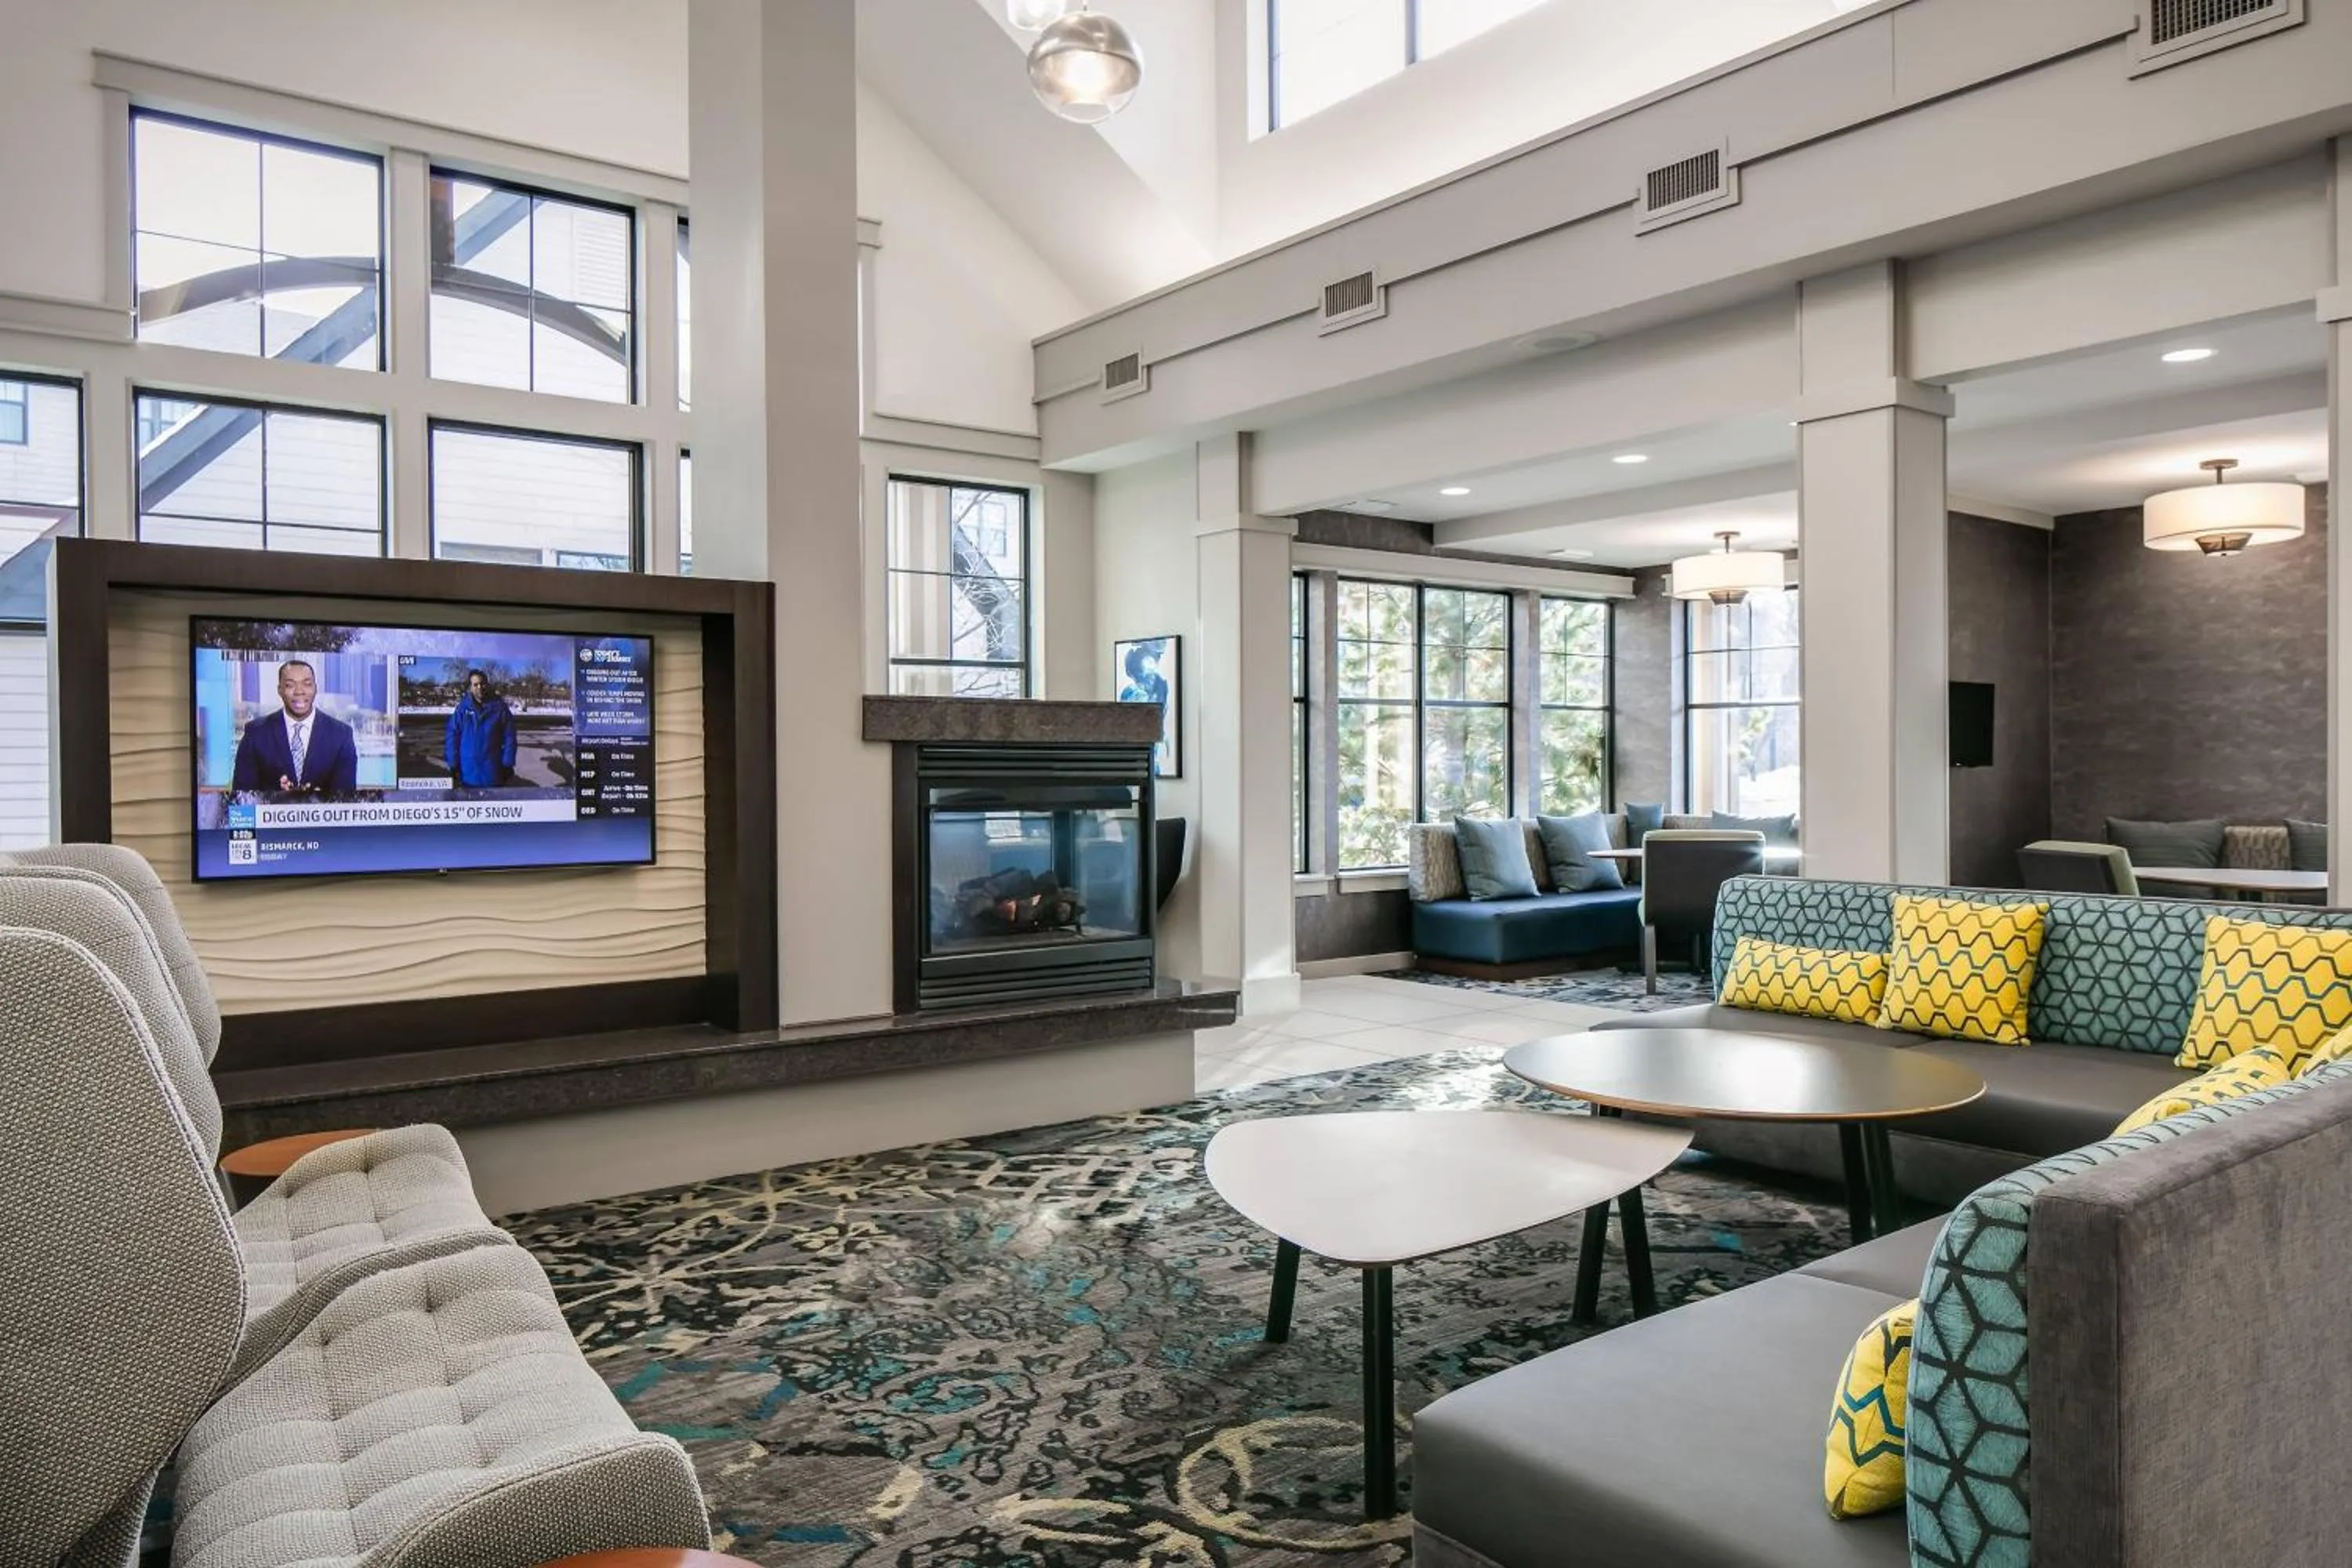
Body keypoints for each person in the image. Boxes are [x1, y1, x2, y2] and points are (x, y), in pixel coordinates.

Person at [229, 659, 358, 795]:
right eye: (290, 685)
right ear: (280, 690)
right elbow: (242, 797)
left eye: (307, 684)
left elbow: (345, 799)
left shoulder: (341, 735)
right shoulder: (256, 733)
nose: (299, 692)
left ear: (315, 688)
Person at [444, 668, 517, 788]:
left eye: (482, 684)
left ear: (487, 685)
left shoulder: (500, 709)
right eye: (475, 684)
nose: (479, 687)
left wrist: (508, 764)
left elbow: (510, 737)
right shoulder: (463, 709)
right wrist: (453, 763)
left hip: (492, 773)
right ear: (470, 687)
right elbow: (452, 735)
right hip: (468, 773)